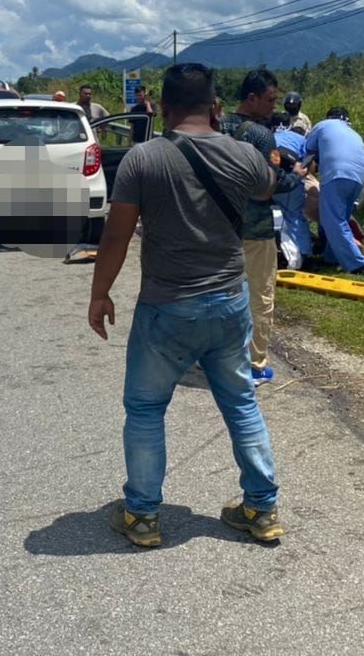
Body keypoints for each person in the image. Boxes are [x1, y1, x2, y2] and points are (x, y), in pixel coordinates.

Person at [88, 62, 283, 547]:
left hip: (167, 305)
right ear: (214, 107)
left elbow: (116, 235)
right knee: (241, 403)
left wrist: (100, 292)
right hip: (228, 302)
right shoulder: (241, 152)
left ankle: (143, 516)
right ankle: (261, 509)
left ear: (165, 109)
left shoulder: (142, 159)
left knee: (146, 408)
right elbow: (266, 186)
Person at [221, 69, 305, 385]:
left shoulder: (218, 126)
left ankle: (216, 358)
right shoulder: (260, 135)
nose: (274, 106)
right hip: (254, 229)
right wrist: (297, 173)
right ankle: (254, 365)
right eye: (270, 100)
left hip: (219, 228)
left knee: (221, 295)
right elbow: (272, 186)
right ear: (252, 98)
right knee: (259, 296)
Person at [304, 108, 364, 274]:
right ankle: (331, 257)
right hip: (358, 177)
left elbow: (308, 148)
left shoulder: (322, 125)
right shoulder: (351, 131)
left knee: (332, 220)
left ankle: (358, 264)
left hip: (337, 174)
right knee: (342, 218)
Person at [271, 114, 311, 269]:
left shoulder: (268, 136)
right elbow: (308, 161)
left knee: (274, 218)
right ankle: (304, 255)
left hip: (272, 181)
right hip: (291, 180)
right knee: (295, 217)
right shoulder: (299, 138)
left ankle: (278, 253)